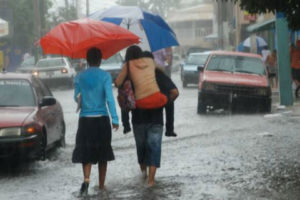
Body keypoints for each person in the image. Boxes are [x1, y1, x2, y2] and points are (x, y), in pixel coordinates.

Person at [121, 50, 179, 187]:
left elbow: (125, 101)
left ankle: (144, 175)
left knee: (141, 149)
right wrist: (164, 102)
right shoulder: (160, 75)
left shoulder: (133, 75)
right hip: (156, 120)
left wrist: (126, 124)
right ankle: (151, 181)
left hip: (138, 120)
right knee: (154, 148)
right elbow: (175, 92)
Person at [72, 47, 119, 196]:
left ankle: (86, 179)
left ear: (87, 60)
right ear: (100, 60)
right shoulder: (105, 76)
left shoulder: (80, 76)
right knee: (103, 153)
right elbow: (110, 99)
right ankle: (101, 186)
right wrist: (115, 119)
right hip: (102, 119)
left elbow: (76, 97)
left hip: (85, 120)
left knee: (85, 150)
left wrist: (83, 97)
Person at [115, 45, 167, 110]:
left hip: (141, 102)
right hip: (158, 99)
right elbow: (162, 69)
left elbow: (117, 83)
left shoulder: (128, 64)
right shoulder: (150, 60)